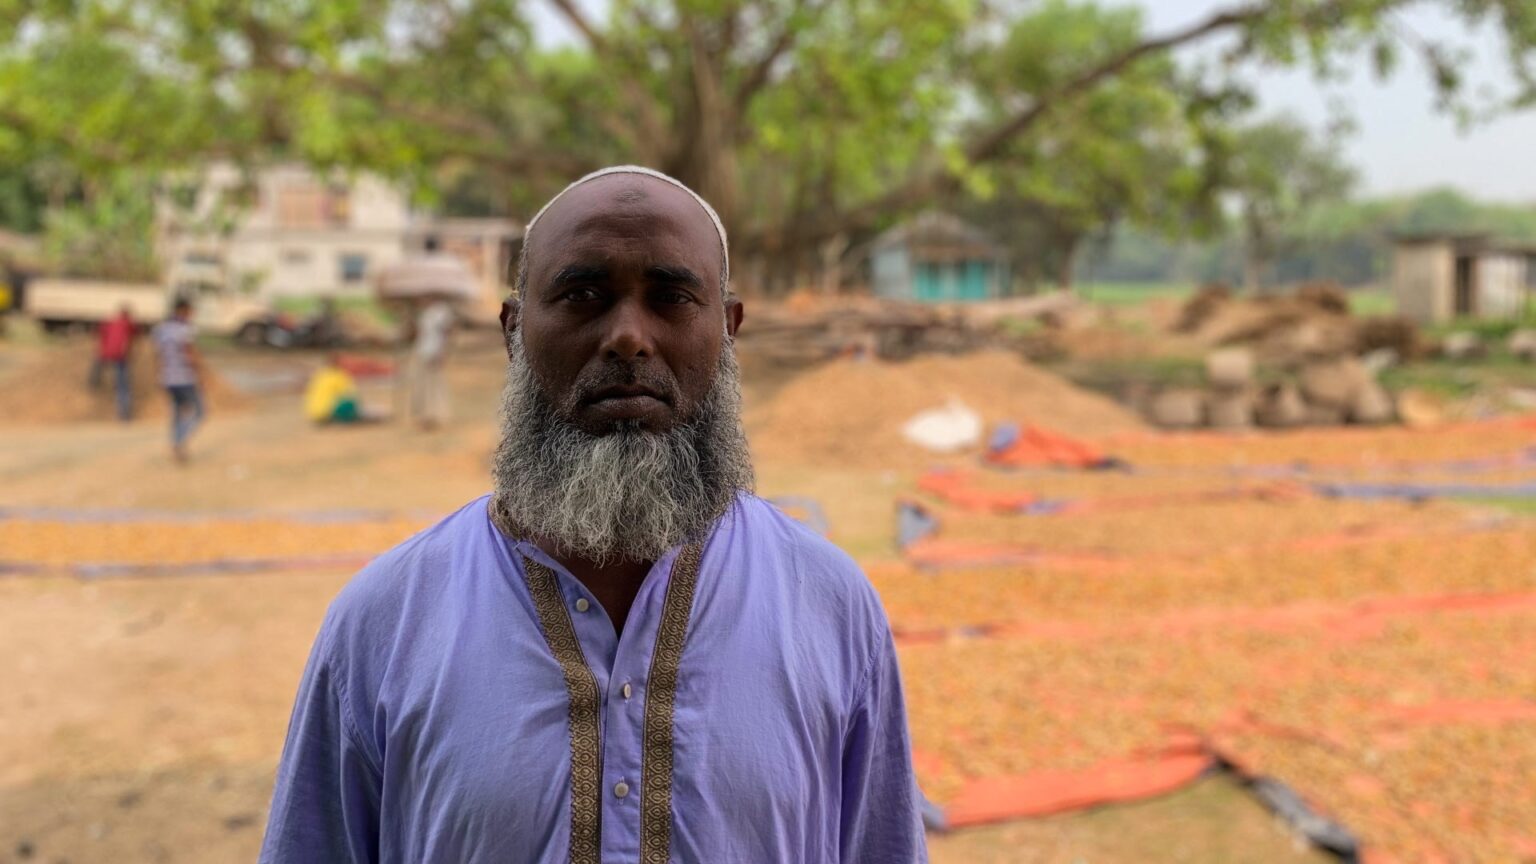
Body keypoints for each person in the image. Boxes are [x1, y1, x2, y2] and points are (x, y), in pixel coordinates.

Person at [261, 167, 927, 863]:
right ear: (514, 330)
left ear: (728, 329)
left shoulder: (831, 606)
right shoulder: (383, 621)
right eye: (583, 295)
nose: (629, 338)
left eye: (671, 297)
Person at [152, 297, 204, 462]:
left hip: (167, 378)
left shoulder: (161, 329)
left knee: (177, 412)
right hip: (184, 378)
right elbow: (190, 353)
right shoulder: (185, 329)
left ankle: (177, 442)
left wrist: (159, 375)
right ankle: (179, 440)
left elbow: (158, 355)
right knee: (199, 412)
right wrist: (199, 373)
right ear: (183, 310)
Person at [407, 296, 454, 430]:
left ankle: (437, 416)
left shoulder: (442, 311)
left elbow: (447, 333)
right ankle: (425, 416)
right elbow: (417, 333)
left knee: (435, 384)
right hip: (422, 350)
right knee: (422, 385)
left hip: (435, 351)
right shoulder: (424, 312)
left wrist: (443, 352)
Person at [91, 304, 136, 420]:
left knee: (98, 367)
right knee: (122, 385)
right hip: (120, 356)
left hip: (105, 354)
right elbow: (133, 336)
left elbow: (99, 333)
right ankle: (124, 413)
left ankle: (94, 382)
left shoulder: (110, 322)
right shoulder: (128, 323)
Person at [303, 353, 365, 424]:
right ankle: (346, 419)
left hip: (314, 413)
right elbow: (350, 394)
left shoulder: (320, 374)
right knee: (350, 401)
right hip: (328, 412)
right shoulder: (339, 375)